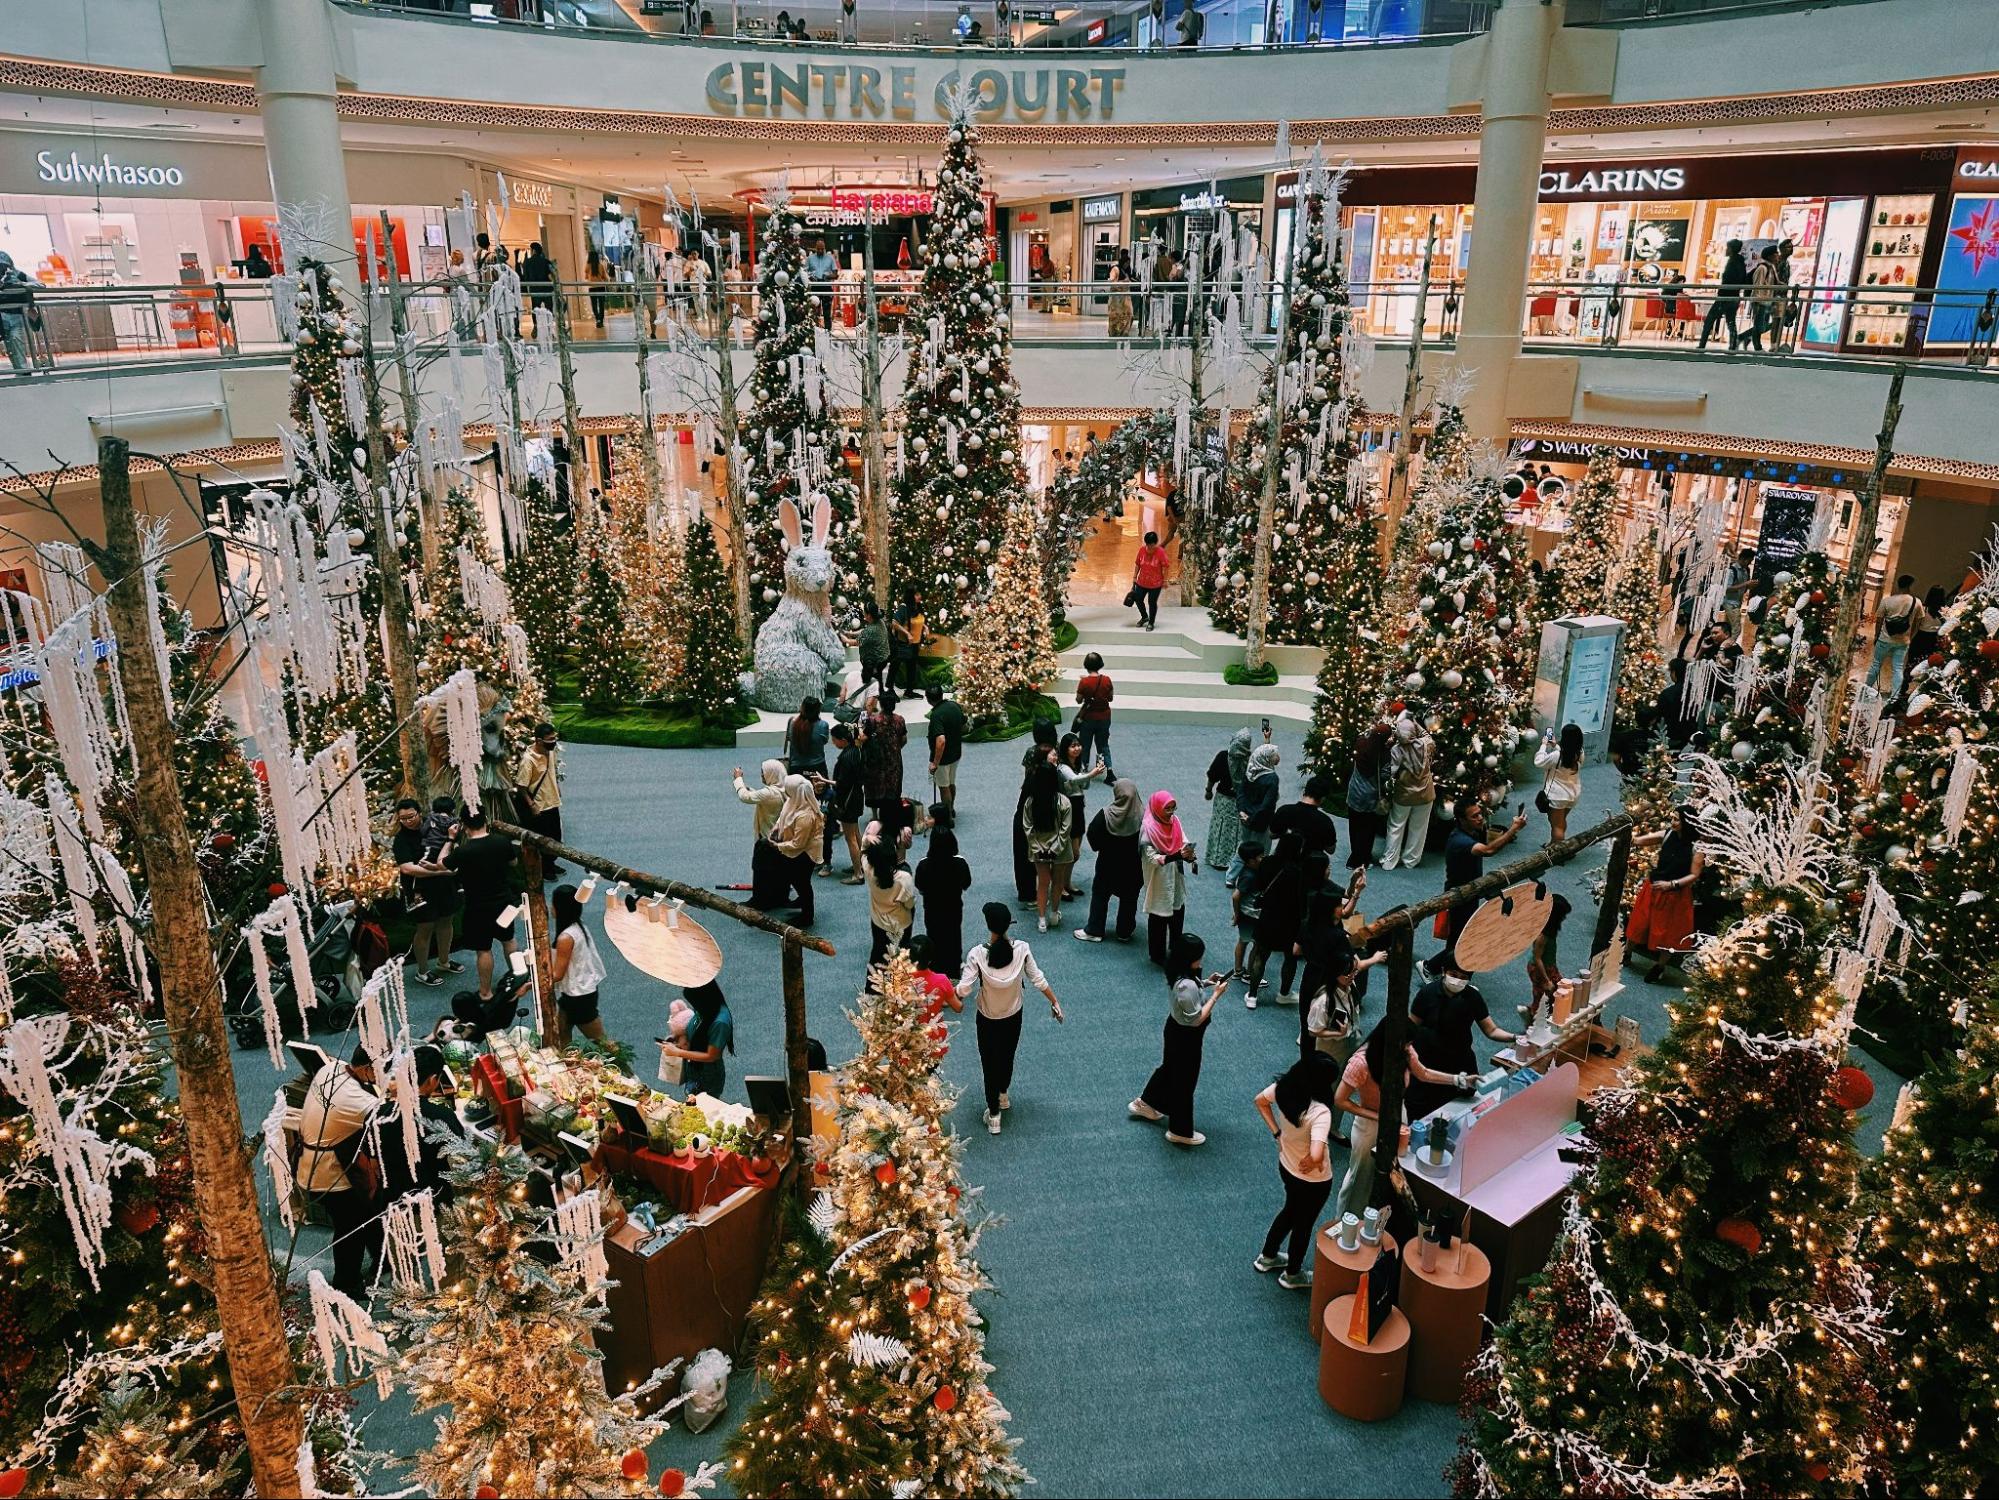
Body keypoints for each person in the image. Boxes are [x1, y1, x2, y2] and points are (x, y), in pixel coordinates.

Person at [1334, 1021, 1467, 1218]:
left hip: (1398, 1116)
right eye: (1405, 1044)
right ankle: (1344, 1223)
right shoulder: (1361, 1062)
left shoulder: (1404, 1051)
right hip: (1369, 1124)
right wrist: (1378, 1116)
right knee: (1360, 1177)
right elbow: (1340, 1100)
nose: (1408, 1048)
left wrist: (1456, 1079)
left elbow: (1423, 1073)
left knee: (1397, 1167)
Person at [956, 902, 1063, 1134]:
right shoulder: (1022, 949)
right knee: (1007, 1055)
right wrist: (1054, 1001)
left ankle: (993, 1114)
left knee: (989, 1063)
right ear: (1008, 926)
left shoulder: (977, 954)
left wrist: (950, 992)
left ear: (988, 926)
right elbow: (1038, 979)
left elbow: (963, 990)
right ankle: (1003, 1094)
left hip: (987, 1018)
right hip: (1014, 1015)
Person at [296, 1045, 382, 1298]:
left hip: (309, 1163)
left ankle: (382, 1259)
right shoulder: (359, 1100)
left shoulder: (330, 1069)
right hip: (328, 1176)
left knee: (367, 1211)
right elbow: (387, 1118)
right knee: (350, 1228)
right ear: (367, 1069)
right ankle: (347, 1283)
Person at [1128, 933, 1226, 1147]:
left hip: (1175, 1030)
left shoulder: (1180, 974)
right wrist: (1216, 995)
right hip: (1186, 1036)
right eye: (1199, 956)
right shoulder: (1186, 986)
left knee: (1170, 1069)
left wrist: (1207, 982)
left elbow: (1191, 993)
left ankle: (1146, 1102)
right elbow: (1196, 1019)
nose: (1201, 960)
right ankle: (1179, 1130)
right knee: (1185, 1081)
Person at [1252, 1054, 1340, 1289]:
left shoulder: (1284, 1088)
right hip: (1314, 1181)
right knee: (1303, 1223)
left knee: (1290, 1211)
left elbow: (1260, 1101)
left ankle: (1268, 1256)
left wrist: (1277, 1133)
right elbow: (1318, 1152)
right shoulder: (1320, 1112)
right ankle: (1293, 1274)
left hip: (1287, 1166)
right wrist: (1313, 1160)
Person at [374, 1044, 465, 1210]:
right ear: (432, 1080)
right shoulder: (442, 1117)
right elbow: (461, 1161)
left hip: (392, 1204)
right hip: (433, 1204)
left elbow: (373, 1164)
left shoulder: (377, 1115)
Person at [444, 808, 519, 1003]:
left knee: (483, 949)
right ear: (486, 819)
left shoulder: (464, 851)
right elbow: (514, 862)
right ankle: (517, 978)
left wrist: (451, 839)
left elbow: (441, 863)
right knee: (509, 940)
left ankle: (485, 992)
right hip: (505, 902)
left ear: (463, 825)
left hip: (478, 908)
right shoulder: (502, 841)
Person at [1439, 798, 1527, 955]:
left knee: (1464, 932)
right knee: (1458, 935)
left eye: (1480, 814)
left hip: (1472, 889)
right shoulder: (1460, 840)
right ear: (1462, 820)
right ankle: (1434, 967)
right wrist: (1513, 829)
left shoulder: (1473, 831)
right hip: (1459, 893)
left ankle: (1447, 968)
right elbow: (1488, 851)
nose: (1480, 818)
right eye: (1474, 816)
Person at [1411, 954, 1515, 1084]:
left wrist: (1515, 1038)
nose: (1457, 980)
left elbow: (1492, 1030)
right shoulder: (1427, 993)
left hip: (1459, 1056)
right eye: (1453, 975)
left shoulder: (1473, 997)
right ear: (1444, 971)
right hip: (1429, 1055)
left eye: (1463, 978)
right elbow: (1411, 1027)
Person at [1628, 805, 1704, 980]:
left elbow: (1694, 874)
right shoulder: (1668, 834)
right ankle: (1627, 953)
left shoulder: (1697, 848)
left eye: (1677, 819)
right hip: (1653, 887)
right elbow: (1640, 840)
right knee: (1639, 922)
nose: (1672, 822)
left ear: (1687, 823)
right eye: (1672, 818)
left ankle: (1659, 966)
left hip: (1675, 896)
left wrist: (1671, 884)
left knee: (1668, 933)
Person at [393, 797, 460, 988]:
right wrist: (439, 870)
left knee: (447, 919)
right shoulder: (401, 840)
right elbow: (407, 869)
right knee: (425, 927)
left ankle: (444, 961)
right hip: (418, 889)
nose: (408, 821)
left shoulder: (434, 826)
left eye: (411, 816)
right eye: (403, 818)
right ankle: (422, 971)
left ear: (419, 813)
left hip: (444, 884)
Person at [1245, 842, 1317, 1009]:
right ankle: (1284, 994)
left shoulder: (1267, 862)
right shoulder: (1300, 870)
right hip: (1291, 920)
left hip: (1268, 916)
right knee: (1290, 958)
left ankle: (1252, 995)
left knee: (1260, 957)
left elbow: (1258, 885)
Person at [1075, 777, 1143, 944]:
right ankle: (1124, 931)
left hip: (1107, 865)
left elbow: (1093, 836)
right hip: (1133, 868)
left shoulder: (1105, 815)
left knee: (1100, 896)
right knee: (1129, 898)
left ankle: (1095, 930)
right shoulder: (1142, 815)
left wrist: (1101, 846)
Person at [547, 883, 611, 1047]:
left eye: (552, 902)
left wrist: (534, 980)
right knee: (561, 1032)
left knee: (602, 1041)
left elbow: (557, 975)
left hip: (579, 997)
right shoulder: (578, 926)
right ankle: (565, 1064)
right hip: (577, 992)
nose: (549, 906)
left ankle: (625, 1069)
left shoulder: (566, 938)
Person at [1141, 789, 1198, 964]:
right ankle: (1157, 954)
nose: (1171, 812)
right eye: (1167, 808)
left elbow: (1182, 841)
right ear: (1158, 808)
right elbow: (1152, 858)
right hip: (1158, 878)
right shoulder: (1148, 829)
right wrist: (1177, 856)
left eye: (1173, 808)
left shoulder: (1175, 822)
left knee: (1177, 912)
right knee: (1158, 916)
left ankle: (1175, 948)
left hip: (1175, 875)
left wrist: (1188, 853)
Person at [759, 776, 823, 924]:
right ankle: (802, 901)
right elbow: (782, 818)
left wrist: (777, 846)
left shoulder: (805, 815)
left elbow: (798, 844)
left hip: (806, 853)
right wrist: (775, 830)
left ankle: (807, 916)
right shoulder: (794, 800)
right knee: (796, 879)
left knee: (802, 881)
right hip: (795, 848)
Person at [1022, 760, 1073, 933]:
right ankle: (1054, 913)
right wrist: (1055, 848)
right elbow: (1065, 830)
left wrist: (1038, 848)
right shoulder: (1063, 802)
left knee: (1042, 883)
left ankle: (1042, 919)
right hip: (1060, 849)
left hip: (1039, 849)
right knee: (1058, 882)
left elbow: (1027, 827)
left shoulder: (1030, 802)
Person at [1380, 714, 1436, 869]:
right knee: (1419, 828)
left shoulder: (1396, 750)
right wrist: (1413, 722)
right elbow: (1426, 734)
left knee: (1396, 826)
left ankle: (1389, 861)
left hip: (1404, 795)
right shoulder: (1425, 744)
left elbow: (1390, 772)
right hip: (1425, 794)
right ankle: (1411, 860)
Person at [1055, 732, 1106, 903]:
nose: (1077, 748)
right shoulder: (1062, 767)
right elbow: (1076, 780)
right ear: (1065, 749)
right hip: (1067, 808)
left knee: (1075, 853)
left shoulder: (1078, 764)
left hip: (1078, 807)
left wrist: (1091, 774)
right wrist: (1092, 774)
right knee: (1068, 853)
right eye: (1072, 746)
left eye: (1078, 745)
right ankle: (1059, 885)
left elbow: (1085, 785)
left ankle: (1067, 883)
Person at [915, 826, 973, 974]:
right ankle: (954, 967)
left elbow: (920, 886)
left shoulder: (923, 865)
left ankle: (935, 968)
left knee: (934, 935)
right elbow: (966, 884)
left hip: (932, 909)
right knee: (954, 935)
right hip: (953, 908)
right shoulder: (960, 863)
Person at [1013, 724, 1060, 903]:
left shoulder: (1032, 758)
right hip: (1049, 811)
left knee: (1023, 852)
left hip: (1029, 809)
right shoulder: (1056, 751)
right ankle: (1054, 887)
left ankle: (1027, 893)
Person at [511, 721, 565, 878]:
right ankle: (544, 868)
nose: (554, 742)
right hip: (539, 806)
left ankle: (551, 863)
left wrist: (557, 789)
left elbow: (552, 772)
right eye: (550, 739)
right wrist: (531, 804)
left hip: (552, 802)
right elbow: (521, 786)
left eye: (555, 738)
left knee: (555, 836)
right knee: (542, 839)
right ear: (539, 741)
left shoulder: (551, 752)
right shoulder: (528, 760)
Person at [663, 981, 734, 1094]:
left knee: (703, 1107)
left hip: (707, 1077)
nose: (694, 1007)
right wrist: (678, 1038)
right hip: (694, 1068)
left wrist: (677, 1052)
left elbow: (712, 1056)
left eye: (695, 1003)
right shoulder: (705, 1007)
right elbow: (696, 1027)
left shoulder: (720, 1023)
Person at [1204, 726, 1255, 870]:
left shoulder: (1223, 756)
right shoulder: (1250, 760)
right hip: (1242, 800)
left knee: (1221, 827)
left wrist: (1208, 791)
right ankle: (1236, 859)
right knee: (1237, 830)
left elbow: (1212, 776)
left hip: (1223, 799)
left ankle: (1218, 858)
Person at [821, 722, 867, 883]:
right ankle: (861, 865)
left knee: (851, 838)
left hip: (848, 800)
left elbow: (841, 783)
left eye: (834, 740)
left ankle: (858, 874)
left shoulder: (847, 757)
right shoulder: (857, 751)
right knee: (856, 834)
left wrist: (823, 780)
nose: (833, 743)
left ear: (842, 739)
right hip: (856, 797)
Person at [1522, 891, 1574, 1027]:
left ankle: (1532, 1013)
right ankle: (1532, 1020)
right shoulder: (1543, 936)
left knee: (1556, 992)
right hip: (1540, 969)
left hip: (1549, 965)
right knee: (1545, 996)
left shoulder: (1549, 930)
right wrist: (1546, 980)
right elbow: (1537, 957)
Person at [1345, 723, 1393, 870]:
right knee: (1368, 830)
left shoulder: (1361, 745)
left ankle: (1354, 858)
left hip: (1354, 794)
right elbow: (1385, 775)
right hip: (1370, 798)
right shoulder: (1384, 755)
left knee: (1354, 827)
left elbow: (1364, 737)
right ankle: (1364, 859)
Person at [865, 837, 916, 969]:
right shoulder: (904, 878)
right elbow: (909, 904)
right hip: (901, 923)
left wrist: (869, 837)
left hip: (878, 921)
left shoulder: (868, 870)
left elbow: (864, 847)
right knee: (902, 955)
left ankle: (872, 988)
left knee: (878, 952)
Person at [1868, 573, 1921, 696]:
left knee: (1876, 664)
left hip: (1885, 639)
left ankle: (1866, 689)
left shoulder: (1887, 601)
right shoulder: (1916, 602)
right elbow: (1917, 623)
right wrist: (1910, 636)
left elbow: (1879, 620)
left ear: (1898, 585)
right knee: (1897, 668)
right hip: (1903, 641)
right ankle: (1894, 696)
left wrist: (1876, 635)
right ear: (1910, 586)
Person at [860, 688, 909, 822]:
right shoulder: (900, 720)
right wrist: (895, 749)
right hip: (894, 759)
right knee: (893, 786)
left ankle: (875, 816)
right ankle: (890, 815)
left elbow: (864, 738)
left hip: (876, 761)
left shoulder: (873, 720)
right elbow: (904, 739)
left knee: (874, 786)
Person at [1270, 771, 1339, 864]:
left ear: (1304, 791)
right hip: (1309, 867)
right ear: (1323, 798)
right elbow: (1331, 849)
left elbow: (1272, 834)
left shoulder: (1284, 810)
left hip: (1283, 861)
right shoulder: (1325, 821)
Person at [1534, 721, 1585, 845]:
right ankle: (1553, 843)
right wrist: (1556, 745)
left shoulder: (1557, 756)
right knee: (1560, 822)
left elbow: (1539, 762)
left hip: (1557, 795)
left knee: (1556, 825)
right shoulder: (1580, 753)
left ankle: (1559, 851)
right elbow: (1566, 755)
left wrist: (1543, 745)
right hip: (1572, 793)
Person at [733, 760, 788, 872]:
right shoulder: (784, 790)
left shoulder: (769, 793)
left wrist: (738, 779)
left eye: (763, 772)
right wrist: (750, 790)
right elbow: (763, 798)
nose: (762, 775)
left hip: (766, 843)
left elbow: (745, 797)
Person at [1226, 839, 1267, 984]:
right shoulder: (1249, 876)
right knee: (1256, 944)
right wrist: (1237, 914)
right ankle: (1250, 974)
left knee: (1243, 941)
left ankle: (1238, 970)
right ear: (1251, 861)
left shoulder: (1248, 872)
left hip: (1245, 914)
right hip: (1251, 915)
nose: (1263, 858)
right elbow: (1236, 896)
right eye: (1260, 856)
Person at [1698, 238, 1749, 352]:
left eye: (1728, 248)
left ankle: (1702, 344)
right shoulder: (1740, 263)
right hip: (1734, 297)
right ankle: (1732, 345)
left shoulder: (1732, 263)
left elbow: (1729, 279)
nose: (1726, 250)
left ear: (1731, 249)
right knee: (1731, 321)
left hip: (1725, 296)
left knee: (1709, 320)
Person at [1233, 742, 1282, 861]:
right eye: (1275, 755)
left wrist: (1242, 812)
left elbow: (1241, 793)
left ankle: (1231, 876)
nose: (1278, 757)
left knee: (1243, 846)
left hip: (1245, 816)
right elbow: (1267, 805)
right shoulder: (1272, 778)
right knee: (1261, 850)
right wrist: (1252, 820)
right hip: (1261, 821)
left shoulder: (1251, 771)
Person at [1073, 652, 1115, 774]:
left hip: (1088, 718)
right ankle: (1102, 766)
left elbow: (1078, 700)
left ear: (1086, 665)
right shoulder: (1107, 680)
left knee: (1085, 744)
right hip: (1104, 717)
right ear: (1100, 664)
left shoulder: (1084, 682)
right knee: (1102, 744)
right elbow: (1110, 698)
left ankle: (1084, 766)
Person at [926, 684, 966, 811]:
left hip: (943, 759)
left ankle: (947, 816)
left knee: (944, 787)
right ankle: (952, 808)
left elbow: (941, 741)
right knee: (951, 783)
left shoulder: (936, 715)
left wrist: (935, 763)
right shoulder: (954, 706)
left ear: (928, 699)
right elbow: (964, 723)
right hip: (956, 753)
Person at [0, 252, 38, 373]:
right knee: (13, 345)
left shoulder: (15, 275)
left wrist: (21, 284)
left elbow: (40, 284)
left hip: (15, 316)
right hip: (6, 316)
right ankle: (22, 371)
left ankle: (23, 372)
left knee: (16, 344)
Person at [851, 600, 891, 703]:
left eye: (864, 612)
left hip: (875, 660)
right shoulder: (879, 621)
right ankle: (881, 694)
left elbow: (856, 642)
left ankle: (871, 701)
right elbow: (864, 632)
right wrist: (850, 633)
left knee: (870, 681)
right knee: (878, 679)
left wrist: (842, 637)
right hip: (884, 656)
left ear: (868, 615)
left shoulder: (871, 630)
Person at [1745, 245, 1782, 353]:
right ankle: (1757, 347)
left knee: (1762, 326)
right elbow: (1758, 285)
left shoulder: (1772, 268)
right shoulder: (1762, 268)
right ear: (1770, 256)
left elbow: (1776, 283)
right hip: (1760, 302)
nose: (1778, 256)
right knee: (1759, 326)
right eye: (1776, 254)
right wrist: (1757, 302)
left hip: (1768, 301)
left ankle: (1746, 337)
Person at [785, 695, 830, 781]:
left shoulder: (792, 723)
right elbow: (824, 741)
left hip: (796, 768)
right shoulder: (823, 725)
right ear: (818, 710)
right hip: (817, 767)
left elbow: (790, 739)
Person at [1131, 530, 1170, 630]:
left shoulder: (1160, 552)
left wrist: (1165, 581)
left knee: (1152, 603)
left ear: (1155, 543)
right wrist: (1135, 577)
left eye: (1152, 545)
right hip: (1142, 581)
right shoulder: (1142, 550)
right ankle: (1144, 617)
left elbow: (1166, 567)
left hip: (1155, 584)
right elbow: (1137, 564)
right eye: (1148, 545)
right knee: (1138, 599)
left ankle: (1151, 622)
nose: (1149, 547)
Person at [891, 590, 928, 691]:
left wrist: (924, 626)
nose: (919, 596)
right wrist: (907, 634)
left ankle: (909, 691)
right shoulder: (904, 607)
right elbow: (894, 622)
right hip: (904, 644)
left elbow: (916, 620)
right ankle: (890, 690)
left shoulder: (917, 607)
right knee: (896, 667)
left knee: (912, 668)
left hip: (915, 643)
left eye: (919, 594)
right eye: (916, 594)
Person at [804, 235, 839, 329]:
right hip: (814, 287)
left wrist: (827, 276)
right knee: (814, 313)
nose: (820, 251)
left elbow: (836, 274)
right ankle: (814, 334)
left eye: (822, 249)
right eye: (818, 249)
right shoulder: (810, 258)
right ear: (815, 248)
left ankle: (828, 334)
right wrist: (810, 277)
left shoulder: (830, 258)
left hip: (826, 287)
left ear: (824, 248)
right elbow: (804, 273)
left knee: (827, 314)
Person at [519, 240, 556, 321]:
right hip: (547, 288)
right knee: (549, 308)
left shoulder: (528, 262)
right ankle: (549, 325)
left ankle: (536, 325)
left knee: (535, 308)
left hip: (535, 288)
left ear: (533, 250)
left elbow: (526, 277)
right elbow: (551, 275)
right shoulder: (546, 261)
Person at [1107, 248, 1135, 338]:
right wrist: (1123, 283)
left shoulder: (1126, 270)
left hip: (1125, 297)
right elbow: (1111, 281)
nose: (1127, 265)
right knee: (1116, 316)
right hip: (1117, 298)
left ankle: (1124, 332)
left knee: (1129, 314)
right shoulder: (1115, 269)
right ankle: (1115, 333)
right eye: (1127, 263)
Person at [585, 247, 609, 330]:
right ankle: (601, 321)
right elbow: (606, 277)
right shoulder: (601, 265)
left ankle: (597, 319)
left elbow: (586, 276)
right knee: (601, 304)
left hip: (592, 287)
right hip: (601, 287)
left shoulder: (588, 266)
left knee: (594, 304)